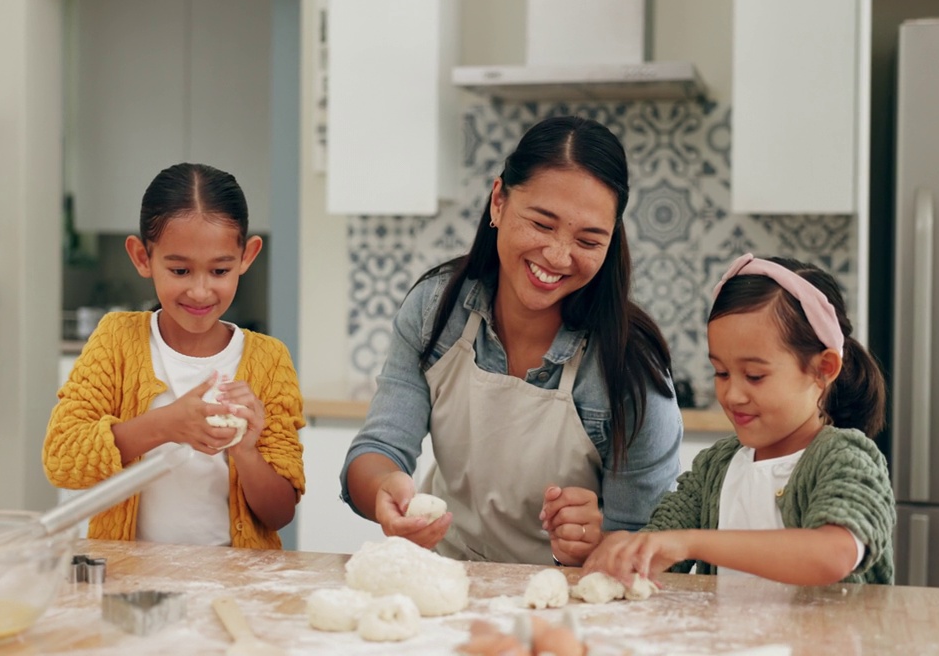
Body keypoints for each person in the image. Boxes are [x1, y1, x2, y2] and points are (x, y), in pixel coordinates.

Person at [341, 115, 684, 566]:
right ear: (498, 201)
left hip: (567, 603)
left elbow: (655, 554)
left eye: (588, 239)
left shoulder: (629, 371)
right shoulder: (435, 310)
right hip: (447, 576)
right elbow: (378, 451)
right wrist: (386, 489)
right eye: (542, 224)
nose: (559, 256)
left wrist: (598, 542)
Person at [584, 253, 896, 585]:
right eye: (721, 372)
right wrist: (612, 548)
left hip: (828, 639)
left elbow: (833, 555)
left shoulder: (845, 458)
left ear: (823, 369)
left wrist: (690, 542)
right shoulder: (715, 468)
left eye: (755, 375)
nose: (732, 395)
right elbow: (657, 550)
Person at [43, 163, 304, 548]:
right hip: (132, 580)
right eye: (180, 270)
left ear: (247, 257)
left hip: (235, 586)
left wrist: (247, 451)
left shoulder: (269, 360)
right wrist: (167, 424)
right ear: (142, 257)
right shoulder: (117, 341)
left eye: (219, 270)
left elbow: (280, 513)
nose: (200, 291)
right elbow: (62, 459)